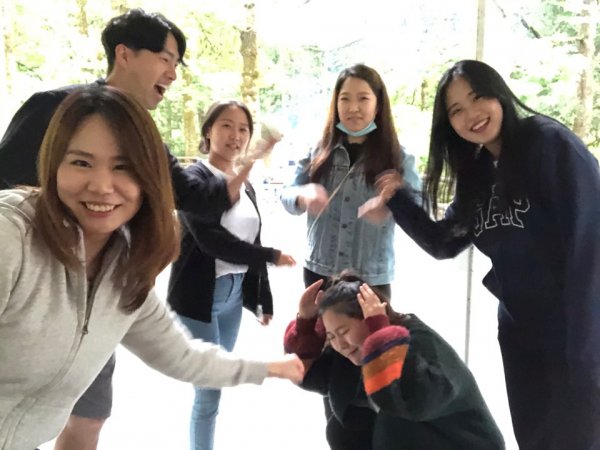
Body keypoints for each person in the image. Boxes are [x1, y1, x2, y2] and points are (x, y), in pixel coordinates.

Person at [0, 9, 255, 449]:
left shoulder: (143, 134)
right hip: (26, 298)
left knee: (89, 418)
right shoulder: (52, 107)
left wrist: (240, 167)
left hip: (99, 297)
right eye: (166, 59)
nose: (172, 74)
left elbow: (190, 195)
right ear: (125, 54)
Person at [376, 59, 600, 449]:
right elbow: (445, 241)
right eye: (456, 110)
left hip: (572, 334)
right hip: (520, 334)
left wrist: (586, 354)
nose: (472, 114)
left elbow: (590, 248)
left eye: (478, 97)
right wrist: (398, 198)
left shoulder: (549, 144)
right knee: (535, 440)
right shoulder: (478, 173)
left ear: (499, 94)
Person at [166, 100, 296, 450]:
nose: (235, 135)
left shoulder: (246, 186)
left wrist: (261, 299)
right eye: (226, 125)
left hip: (233, 298)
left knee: (217, 383)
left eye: (243, 129)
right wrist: (272, 257)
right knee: (209, 388)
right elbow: (213, 242)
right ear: (208, 131)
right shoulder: (193, 180)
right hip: (199, 298)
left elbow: (252, 239)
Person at [284, 273, 505, 450]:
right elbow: (307, 375)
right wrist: (305, 322)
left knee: (390, 418)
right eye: (331, 336)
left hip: (463, 443)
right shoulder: (352, 351)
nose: (340, 344)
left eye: (343, 331)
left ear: (368, 316)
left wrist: (381, 335)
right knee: (345, 426)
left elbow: (415, 401)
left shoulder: (418, 341)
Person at [279, 63, 421, 299]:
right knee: (314, 325)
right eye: (345, 99)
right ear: (336, 104)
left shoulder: (398, 157)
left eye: (363, 98)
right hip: (319, 272)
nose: (353, 107)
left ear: (378, 105)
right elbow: (286, 193)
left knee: (373, 326)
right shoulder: (318, 151)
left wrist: (395, 204)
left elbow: (422, 208)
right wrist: (303, 196)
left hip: (371, 279)